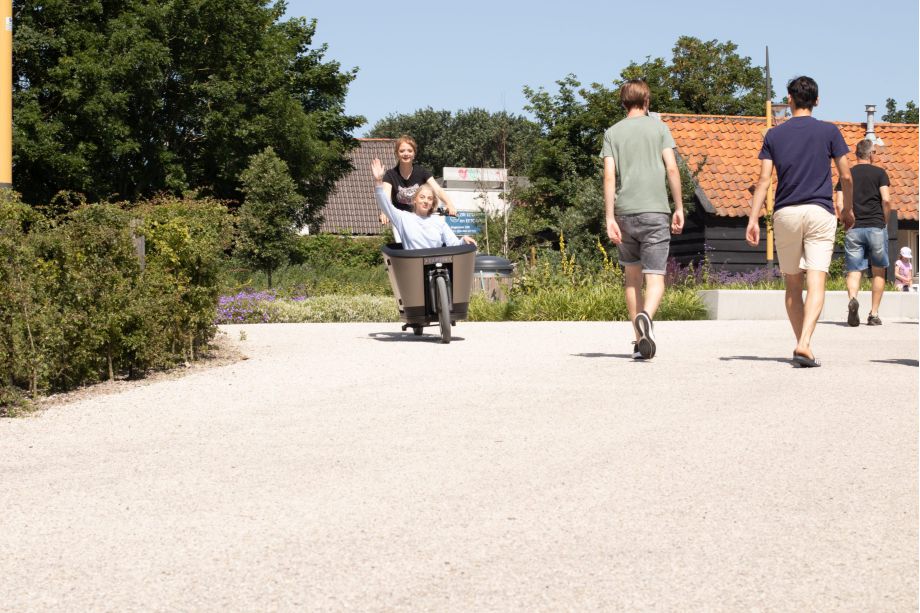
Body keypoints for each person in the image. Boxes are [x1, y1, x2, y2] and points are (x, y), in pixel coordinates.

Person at [746, 76, 853, 368]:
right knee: (816, 280)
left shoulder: (773, 135)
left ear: (789, 100)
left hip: (786, 214)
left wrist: (754, 218)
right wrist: (848, 210)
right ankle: (804, 342)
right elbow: (846, 176)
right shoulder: (830, 132)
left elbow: (764, 180)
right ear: (816, 101)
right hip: (820, 212)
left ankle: (802, 344)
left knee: (793, 284)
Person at [601, 79, 684, 360]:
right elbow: (672, 169)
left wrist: (609, 216)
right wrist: (679, 207)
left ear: (623, 103)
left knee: (631, 278)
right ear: (646, 101)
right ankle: (646, 316)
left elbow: (609, 176)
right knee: (656, 277)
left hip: (625, 213)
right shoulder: (660, 128)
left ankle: (639, 341)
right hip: (655, 211)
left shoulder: (612, 133)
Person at [835, 139, 891, 326]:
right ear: (871, 154)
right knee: (878, 271)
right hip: (876, 226)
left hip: (853, 228)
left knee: (854, 269)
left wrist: (845, 219)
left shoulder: (847, 175)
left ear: (857, 154)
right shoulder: (880, 173)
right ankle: (873, 314)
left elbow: (839, 203)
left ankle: (853, 299)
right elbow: (886, 200)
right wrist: (884, 221)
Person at [371, 158, 475, 250]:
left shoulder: (439, 222)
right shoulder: (403, 218)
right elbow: (384, 204)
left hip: (436, 269)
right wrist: (378, 181)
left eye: (429, 198)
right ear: (415, 200)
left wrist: (464, 240)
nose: (426, 201)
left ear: (432, 203)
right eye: (422, 197)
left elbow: (454, 244)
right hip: (413, 267)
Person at [378, 136, 457, 239]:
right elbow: (385, 195)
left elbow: (437, 189)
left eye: (409, 151)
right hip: (402, 220)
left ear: (414, 154)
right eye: (402, 151)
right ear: (397, 154)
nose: (406, 153)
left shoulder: (422, 172)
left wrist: (449, 203)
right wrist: (384, 212)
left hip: (421, 218)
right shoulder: (390, 175)